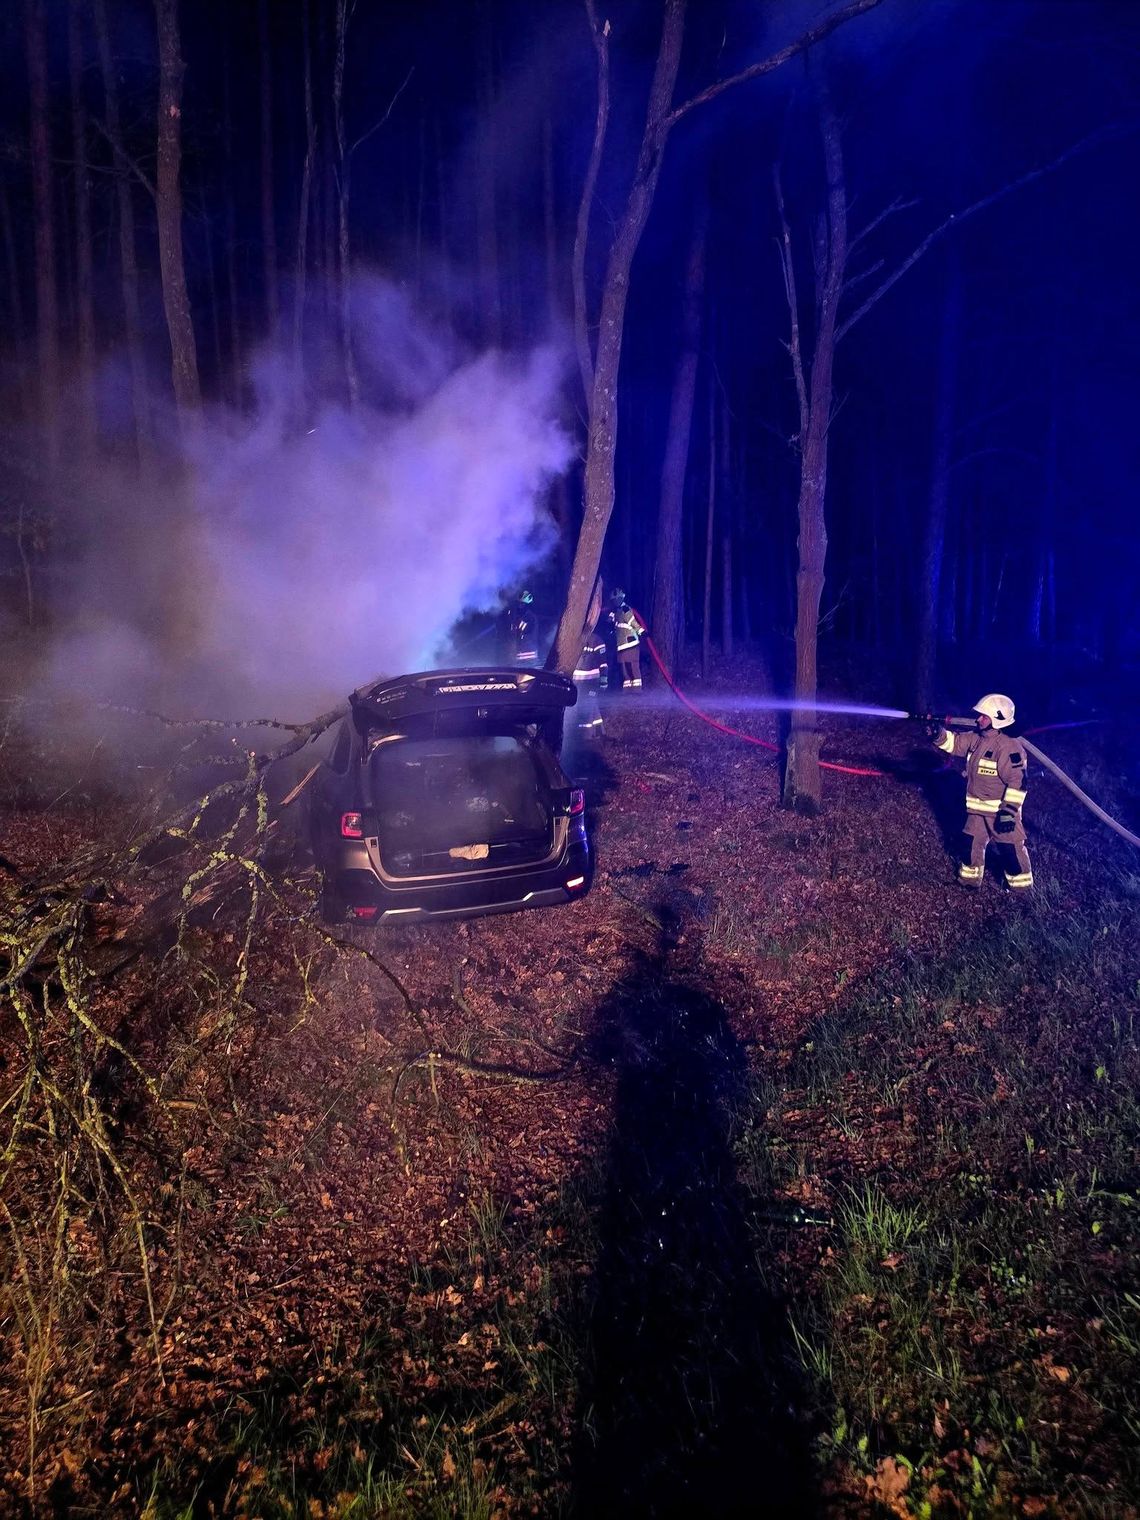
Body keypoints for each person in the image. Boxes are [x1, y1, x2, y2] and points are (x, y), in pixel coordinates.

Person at [931, 693, 1033, 891]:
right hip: (977, 810)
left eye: (984, 717)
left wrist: (1008, 813)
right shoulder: (976, 738)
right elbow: (954, 743)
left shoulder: (1009, 748)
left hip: (1001, 814)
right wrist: (937, 734)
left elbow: (1018, 783)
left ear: (997, 719)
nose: (978, 719)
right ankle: (969, 882)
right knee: (970, 846)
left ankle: (1022, 891)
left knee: (1009, 851)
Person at [572, 615, 608, 737]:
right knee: (590, 704)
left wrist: (603, 681)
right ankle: (599, 731)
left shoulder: (597, 641)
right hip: (578, 681)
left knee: (586, 705)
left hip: (591, 682)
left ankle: (587, 734)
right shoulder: (576, 640)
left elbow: (603, 663)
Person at [610, 589, 646, 689]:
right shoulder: (615, 611)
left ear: (621, 598)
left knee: (633, 666)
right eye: (613, 600)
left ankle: (637, 690)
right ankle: (627, 690)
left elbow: (633, 623)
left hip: (631, 643)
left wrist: (642, 632)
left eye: (616, 600)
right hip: (620, 645)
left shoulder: (626, 609)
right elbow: (611, 622)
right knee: (624, 667)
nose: (615, 602)